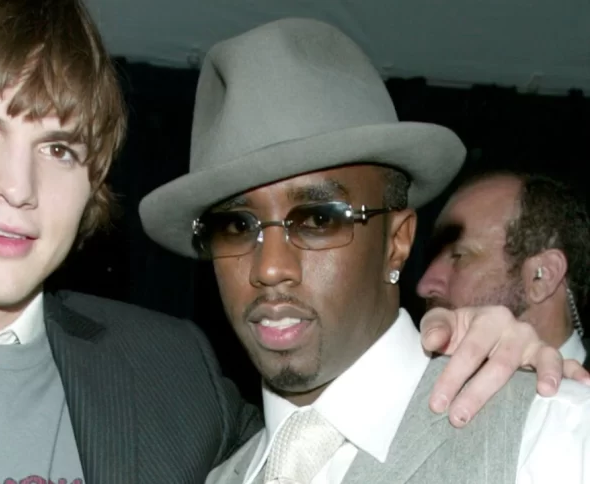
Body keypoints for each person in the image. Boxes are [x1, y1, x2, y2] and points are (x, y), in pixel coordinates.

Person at [0, 2, 581, 483]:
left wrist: (494, 335)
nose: (16, 188)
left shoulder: (171, 380)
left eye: (59, 148)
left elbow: (357, 399)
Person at [137, 18, 590, 484]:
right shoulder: (220, 476)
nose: (269, 267)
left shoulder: (550, 433)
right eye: (235, 225)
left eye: (317, 219)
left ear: (396, 242)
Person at [417, 170, 590, 365]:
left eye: (459, 256)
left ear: (542, 277)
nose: (424, 285)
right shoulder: (419, 382)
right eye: (432, 257)